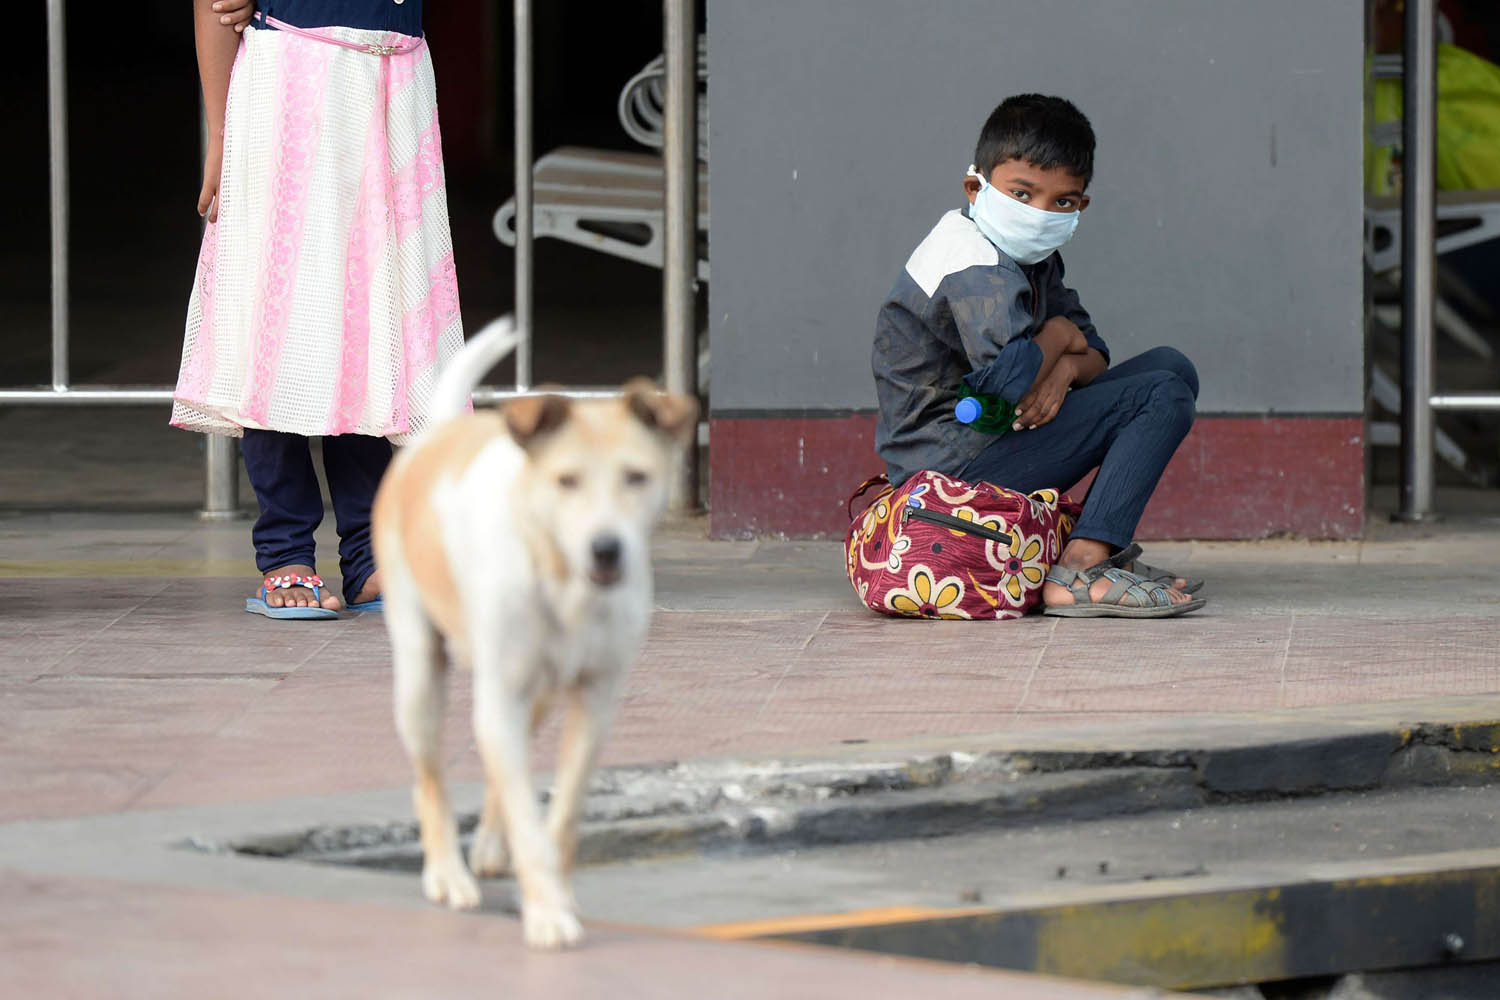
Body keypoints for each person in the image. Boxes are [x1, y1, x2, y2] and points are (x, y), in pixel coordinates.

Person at [173, 0, 465, 620]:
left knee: (374, 325)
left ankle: (367, 554)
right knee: (276, 325)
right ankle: (285, 553)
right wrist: (222, 137)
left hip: (396, 80)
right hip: (292, 83)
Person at [871, 94, 1205, 618]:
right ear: (975, 187)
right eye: (1022, 193)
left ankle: (1093, 554)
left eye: (1062, 202)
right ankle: (1080, 570)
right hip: (945, 469)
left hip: (995, 436)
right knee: (1161, 394)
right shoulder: (974, 263)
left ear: (1081, 206)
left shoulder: (1033, 255)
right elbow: (1012, 384)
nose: (1039, 214)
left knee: (1172, 366)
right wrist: (1055, 335)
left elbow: (1094, 349)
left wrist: (1067, 363)